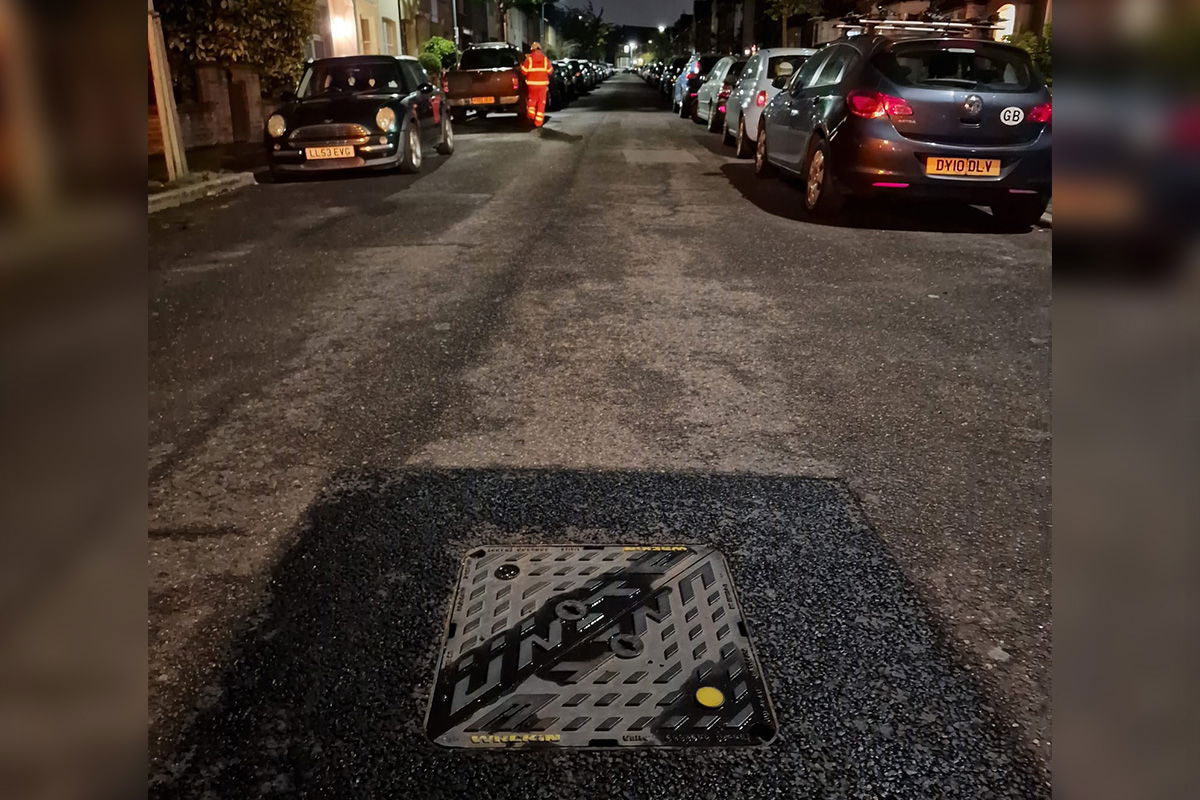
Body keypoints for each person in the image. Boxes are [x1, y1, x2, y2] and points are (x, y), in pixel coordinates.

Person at [519, 42, 553, 129]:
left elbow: (524, 72)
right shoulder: (545, 59)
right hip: (542, 86)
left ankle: (531, 115)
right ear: (540, 49)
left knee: (532, 100)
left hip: (532, 85)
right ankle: (538, 122)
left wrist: (521, 66)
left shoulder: (529, 59)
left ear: (532, 49)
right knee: (541, 102)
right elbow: (550, 71)